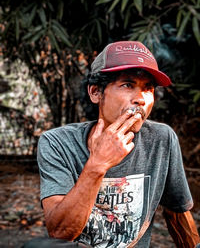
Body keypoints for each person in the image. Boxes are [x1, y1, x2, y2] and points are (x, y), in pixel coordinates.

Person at [26, 41, 200, 248]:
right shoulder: (58, 143)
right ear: (95, 92)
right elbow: (59, 232)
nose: (141, 99)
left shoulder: (161, 139)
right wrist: (98, 163)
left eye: (148, 88)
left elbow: (178, 215)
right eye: (128, 85)